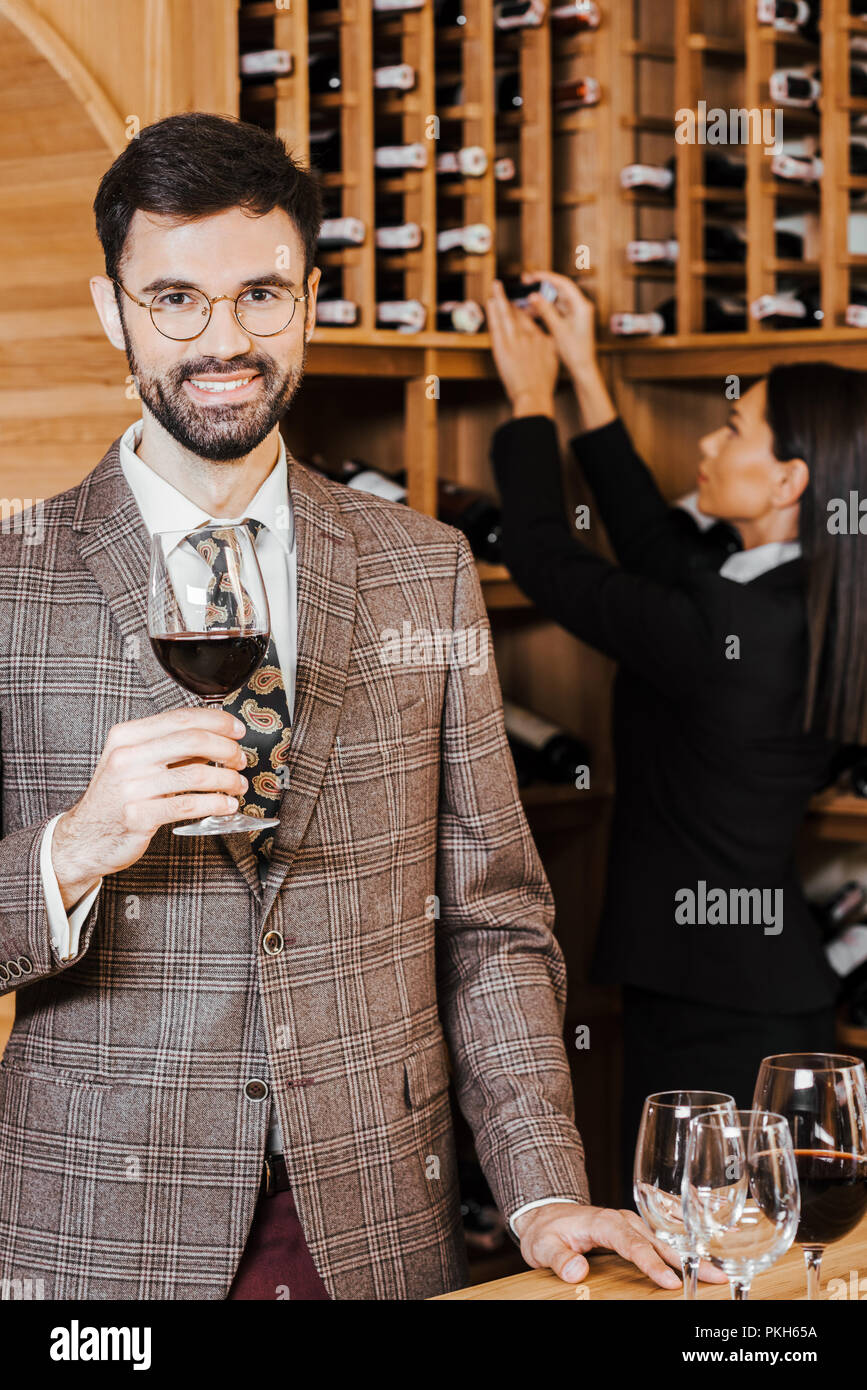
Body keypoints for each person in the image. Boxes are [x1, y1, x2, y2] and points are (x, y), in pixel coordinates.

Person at [0, 114, 719, 1300]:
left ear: (312, 301)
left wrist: (540, 1184)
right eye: (174, 298)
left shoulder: (421, 565)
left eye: (261, 295)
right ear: (110, 308)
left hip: (379, 1225)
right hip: (95, 1239)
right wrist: (70, 852)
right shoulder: (13, 574)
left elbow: (491, 919)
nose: (222, 339)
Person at [487, 272, 866, 1199]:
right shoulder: (798, 596)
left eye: (735, 429)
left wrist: (529, 397)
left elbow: (542, 556)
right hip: (752, 987)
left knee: (700, 1266)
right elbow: (660, 553)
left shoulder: (731, 630)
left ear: (788, 479)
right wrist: (584, 372)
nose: (708, 438)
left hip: (714, 1008)